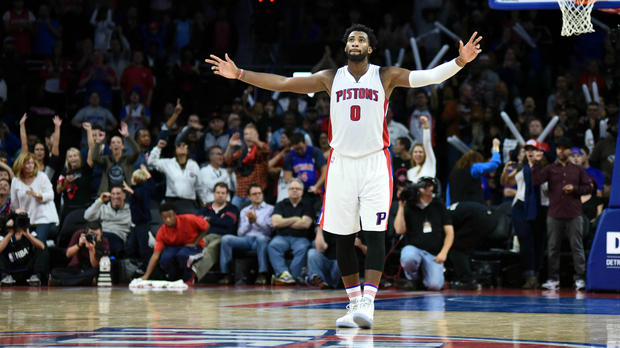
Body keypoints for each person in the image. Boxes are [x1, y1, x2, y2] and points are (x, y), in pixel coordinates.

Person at [206, 23, 482, 329]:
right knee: (343, 237)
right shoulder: (329, 78)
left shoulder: (385, 75)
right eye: (351, 38)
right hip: (340, 165)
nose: (356, 42)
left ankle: (368, 302)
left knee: (375, 233)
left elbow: (426, 77)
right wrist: (241, 74)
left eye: (362, 39)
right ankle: (353, 303)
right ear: (346, 47)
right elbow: (284, 83)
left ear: (370, 48)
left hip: (375, 163)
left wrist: (459, 62)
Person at [531, 136, 593, 291]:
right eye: (558, 148)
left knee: (576, 247)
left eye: (563, 148)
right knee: (552, 248)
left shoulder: (577, 169)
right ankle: (553, 279)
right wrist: (536, 162)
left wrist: (575, 189)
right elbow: (536, 181)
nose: (560, 151)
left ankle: (580, 278)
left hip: (574, 213)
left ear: (568, 151)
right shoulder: (551, 168)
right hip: (555, 213)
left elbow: (589, 188)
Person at [394, 177, 454, 291]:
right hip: (414, 248)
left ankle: (424, 279)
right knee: (408, 256)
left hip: (433, 253)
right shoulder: (410, 204)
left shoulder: (439, 205)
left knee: (435, 285)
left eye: (430, 185)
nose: (427, 188)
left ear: (434, 188)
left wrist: (444, 253)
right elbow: (399, 230)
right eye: (423, 185)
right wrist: (401, 206)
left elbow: (450, 232)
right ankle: (413, 279)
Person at [140, 202, 209, 284]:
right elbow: (155, 255)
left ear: (175, 215)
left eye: (170, 216)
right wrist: (146, 275)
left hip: (193, 246)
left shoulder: (189, 219)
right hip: (176, 248)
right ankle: (173, 278)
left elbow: (206, 226)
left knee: (182, 255)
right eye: (164, 218)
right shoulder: (161, 232)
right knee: (165, 258)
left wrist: (195, 242)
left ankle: (189, 278)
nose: (168, 220)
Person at [219, 184, 273, 285]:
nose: (257, 196)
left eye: (259, 193)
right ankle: (226, 274)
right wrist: (249, 222)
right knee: (226, 239)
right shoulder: (244, 210)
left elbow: (269, 230)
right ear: (249, 197)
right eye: (254, 194)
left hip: (262, 238)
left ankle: (262, 274)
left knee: (261, 239)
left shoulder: (270, 209)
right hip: (246, 239)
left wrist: (256, 221)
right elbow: (240, 233)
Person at [268, 179, 314, 285]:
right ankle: (284, 273)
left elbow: (305, 224)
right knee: (273, 245)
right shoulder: (280, 204)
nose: (294, 191)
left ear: (302, 191)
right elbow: (275, 223)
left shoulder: (307, 205)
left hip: (301, 238)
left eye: (297, 189)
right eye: (292, 188)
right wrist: (295, 219)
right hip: (282, 237)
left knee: (302, 248)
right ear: (288, 190)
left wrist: (284, 221)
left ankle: (291, 276)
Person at [192, 182, 239, 283]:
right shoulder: (206, 208)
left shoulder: (232, 208)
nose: (220, 195)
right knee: (193, 246)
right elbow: (196, 222)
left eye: (223, 193)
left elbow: (229, 223)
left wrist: (208, 219)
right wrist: (219, 220)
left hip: (221, 237)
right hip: (204, 236)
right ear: (214, 194)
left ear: (227, 195)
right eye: (218, 192)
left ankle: (193, 274)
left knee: (210, 249)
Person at [10, 152, 59, 243]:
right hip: (28, 220)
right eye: (27, 163)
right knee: (22, 243)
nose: (30, 165)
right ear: (21, 165)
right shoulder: (15, 181)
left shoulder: (42, 177)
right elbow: (14, 204)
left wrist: (37, 195)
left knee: (39, 241)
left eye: (32, 163)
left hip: (45, 218)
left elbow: (51, 195)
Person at [49, 220, 110, 286]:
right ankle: (81, 281)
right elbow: (68, 254)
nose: (93, 237)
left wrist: (91, 250)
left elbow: (95, 265)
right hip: (76, 268)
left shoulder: (104, 242)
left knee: (94, 273)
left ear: (101, 234)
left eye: (96, 235)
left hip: (90, 269)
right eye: (91, 235)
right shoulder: (79, 234)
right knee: (55, 272)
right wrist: (79, 244)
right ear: (86, 233)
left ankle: (65, 281)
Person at [148, 139, 200, 214]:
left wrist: (203, 201)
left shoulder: (194, 165)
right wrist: (158, 148)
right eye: (179, 146)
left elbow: (199, 185)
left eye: (184, 145)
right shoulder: (168, 163)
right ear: (175, 150)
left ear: (188, 150)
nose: (182, 147)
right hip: (172, 202)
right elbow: (151, 162)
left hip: (189, 202)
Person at [0, 211, 49, 286]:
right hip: (10, 269)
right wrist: (10, 233)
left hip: (27, 268)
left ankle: (36, 276)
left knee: (42, 249)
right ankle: (5, 277)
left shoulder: (30, 232)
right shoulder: (5, 233)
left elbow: (42, 246)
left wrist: (27, 235)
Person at [83, 186, 132, 257]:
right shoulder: (104, 208)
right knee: (81, 235)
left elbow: (139, 227)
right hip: (102, 235)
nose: (116, 196)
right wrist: (100, 200)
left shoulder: (130, 211)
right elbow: (87, 216)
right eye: (113, 194)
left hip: (118, 236)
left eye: (118, 193)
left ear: (124, 196)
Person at [407, 116, 436, 183]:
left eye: (420, 152)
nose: (418, 154)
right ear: (412, 154)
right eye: (415, 152)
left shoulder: (429, 163)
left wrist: (426, 125)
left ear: (425, 154)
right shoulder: (409, 172)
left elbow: (427, 143)